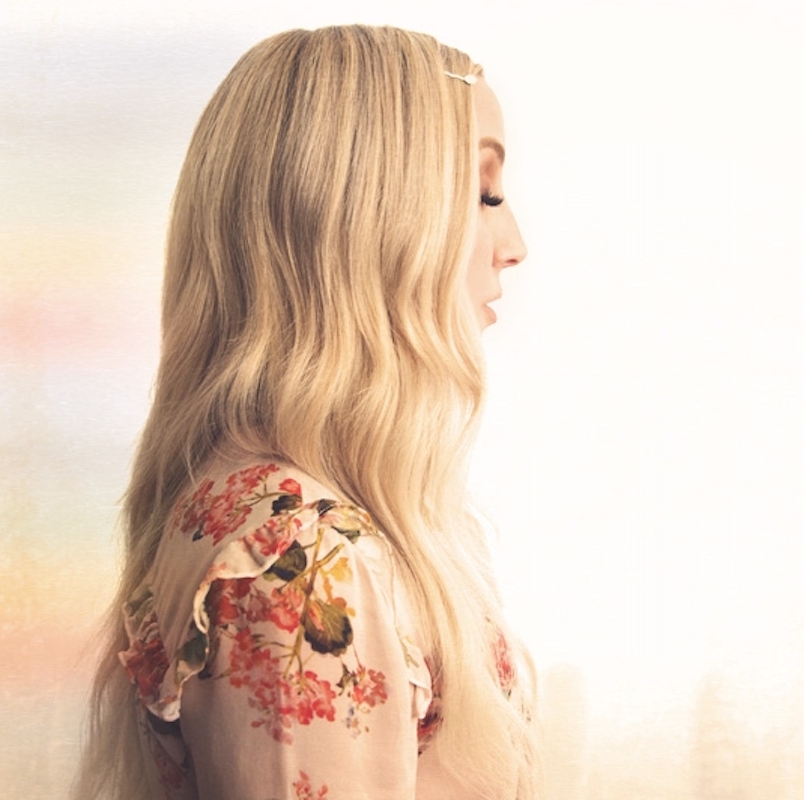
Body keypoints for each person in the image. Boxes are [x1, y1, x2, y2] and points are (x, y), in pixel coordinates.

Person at [73, 25, 535, 800]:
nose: (513, 242)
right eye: (482, 194)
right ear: (366, 222)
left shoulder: (277, 516)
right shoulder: (304, 559)